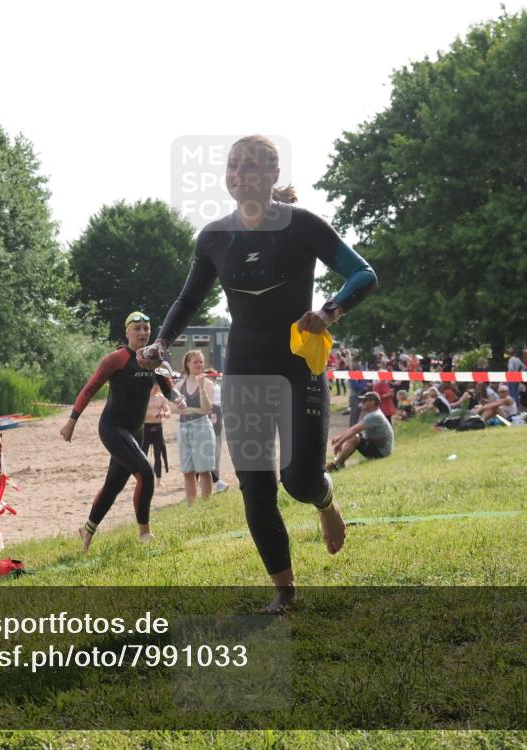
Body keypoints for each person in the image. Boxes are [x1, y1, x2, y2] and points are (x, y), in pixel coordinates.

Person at [137, 134, 377, 612]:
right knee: (256, 486)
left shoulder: (302, 225)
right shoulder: (214, 237)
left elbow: (363, 273)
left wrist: (329, 311)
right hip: (244, 373)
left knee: (299, 481)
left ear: (272, 174)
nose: (239, 175)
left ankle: (324, 500)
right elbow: (188, 299)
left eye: (250, 166)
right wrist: (161, 342)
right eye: (232, 166)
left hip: (298, 370)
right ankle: (284, 591)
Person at [61, 311, 184, 552]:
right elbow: (90, 388)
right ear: (127, 332)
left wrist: (178, 398)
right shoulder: (116, 359)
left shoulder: (154, 359)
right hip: (112, 428)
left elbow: (168, 388)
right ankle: (145, 533)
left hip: (135, 431)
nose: (143, 333)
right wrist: (72, 420)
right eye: (137, 328)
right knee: (146, 474)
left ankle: (87, 530)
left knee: (114, 485)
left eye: (146, 328)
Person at [176, 349, 217, 506]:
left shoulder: (208, 384)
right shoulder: (180, 385)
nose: (199, 364)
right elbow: (173, 408)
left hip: (202, 427)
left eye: (201, 361)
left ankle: (205, 505)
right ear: (187, 364)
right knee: (187, 471)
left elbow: (206, 409)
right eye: (195, 362)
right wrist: (193, 409)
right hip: (183, 428)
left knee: (204, 470)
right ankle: (191, 506)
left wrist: (201, 387)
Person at [326, 392, 394, 471]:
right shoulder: (373, 414)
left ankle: (337, 465)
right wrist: (340, 438)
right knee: (354, 435)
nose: (362, 402)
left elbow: (353, 430)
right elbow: (354, 429)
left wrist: (339, 443)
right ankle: (338, 463)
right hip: (380, 448)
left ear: (372, 402)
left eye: (365, 400)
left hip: (381, 452)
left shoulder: (374, 416)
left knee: (354, 438)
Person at [141, 382, 171, 488]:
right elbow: (139, 413)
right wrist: (150, 415)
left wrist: (163, 414)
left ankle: (158, 480)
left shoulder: (161, 397)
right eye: (154, 386)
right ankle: (142, 479)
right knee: (142, 455)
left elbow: (168, 413)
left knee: (158, 455)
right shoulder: (143, 396)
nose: (156, 388)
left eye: (158, 386)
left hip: (157, 428)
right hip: (145, 428)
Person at [206, 368, 229, 493]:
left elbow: (221, 406)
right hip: (207, 422)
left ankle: (216, 477)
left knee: (216, 453)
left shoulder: (217, 388)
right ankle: (212, 479)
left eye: (212, 377)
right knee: (208, 453)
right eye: (209, 377)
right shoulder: (204, 389)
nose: (211, 380)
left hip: (217, 423)